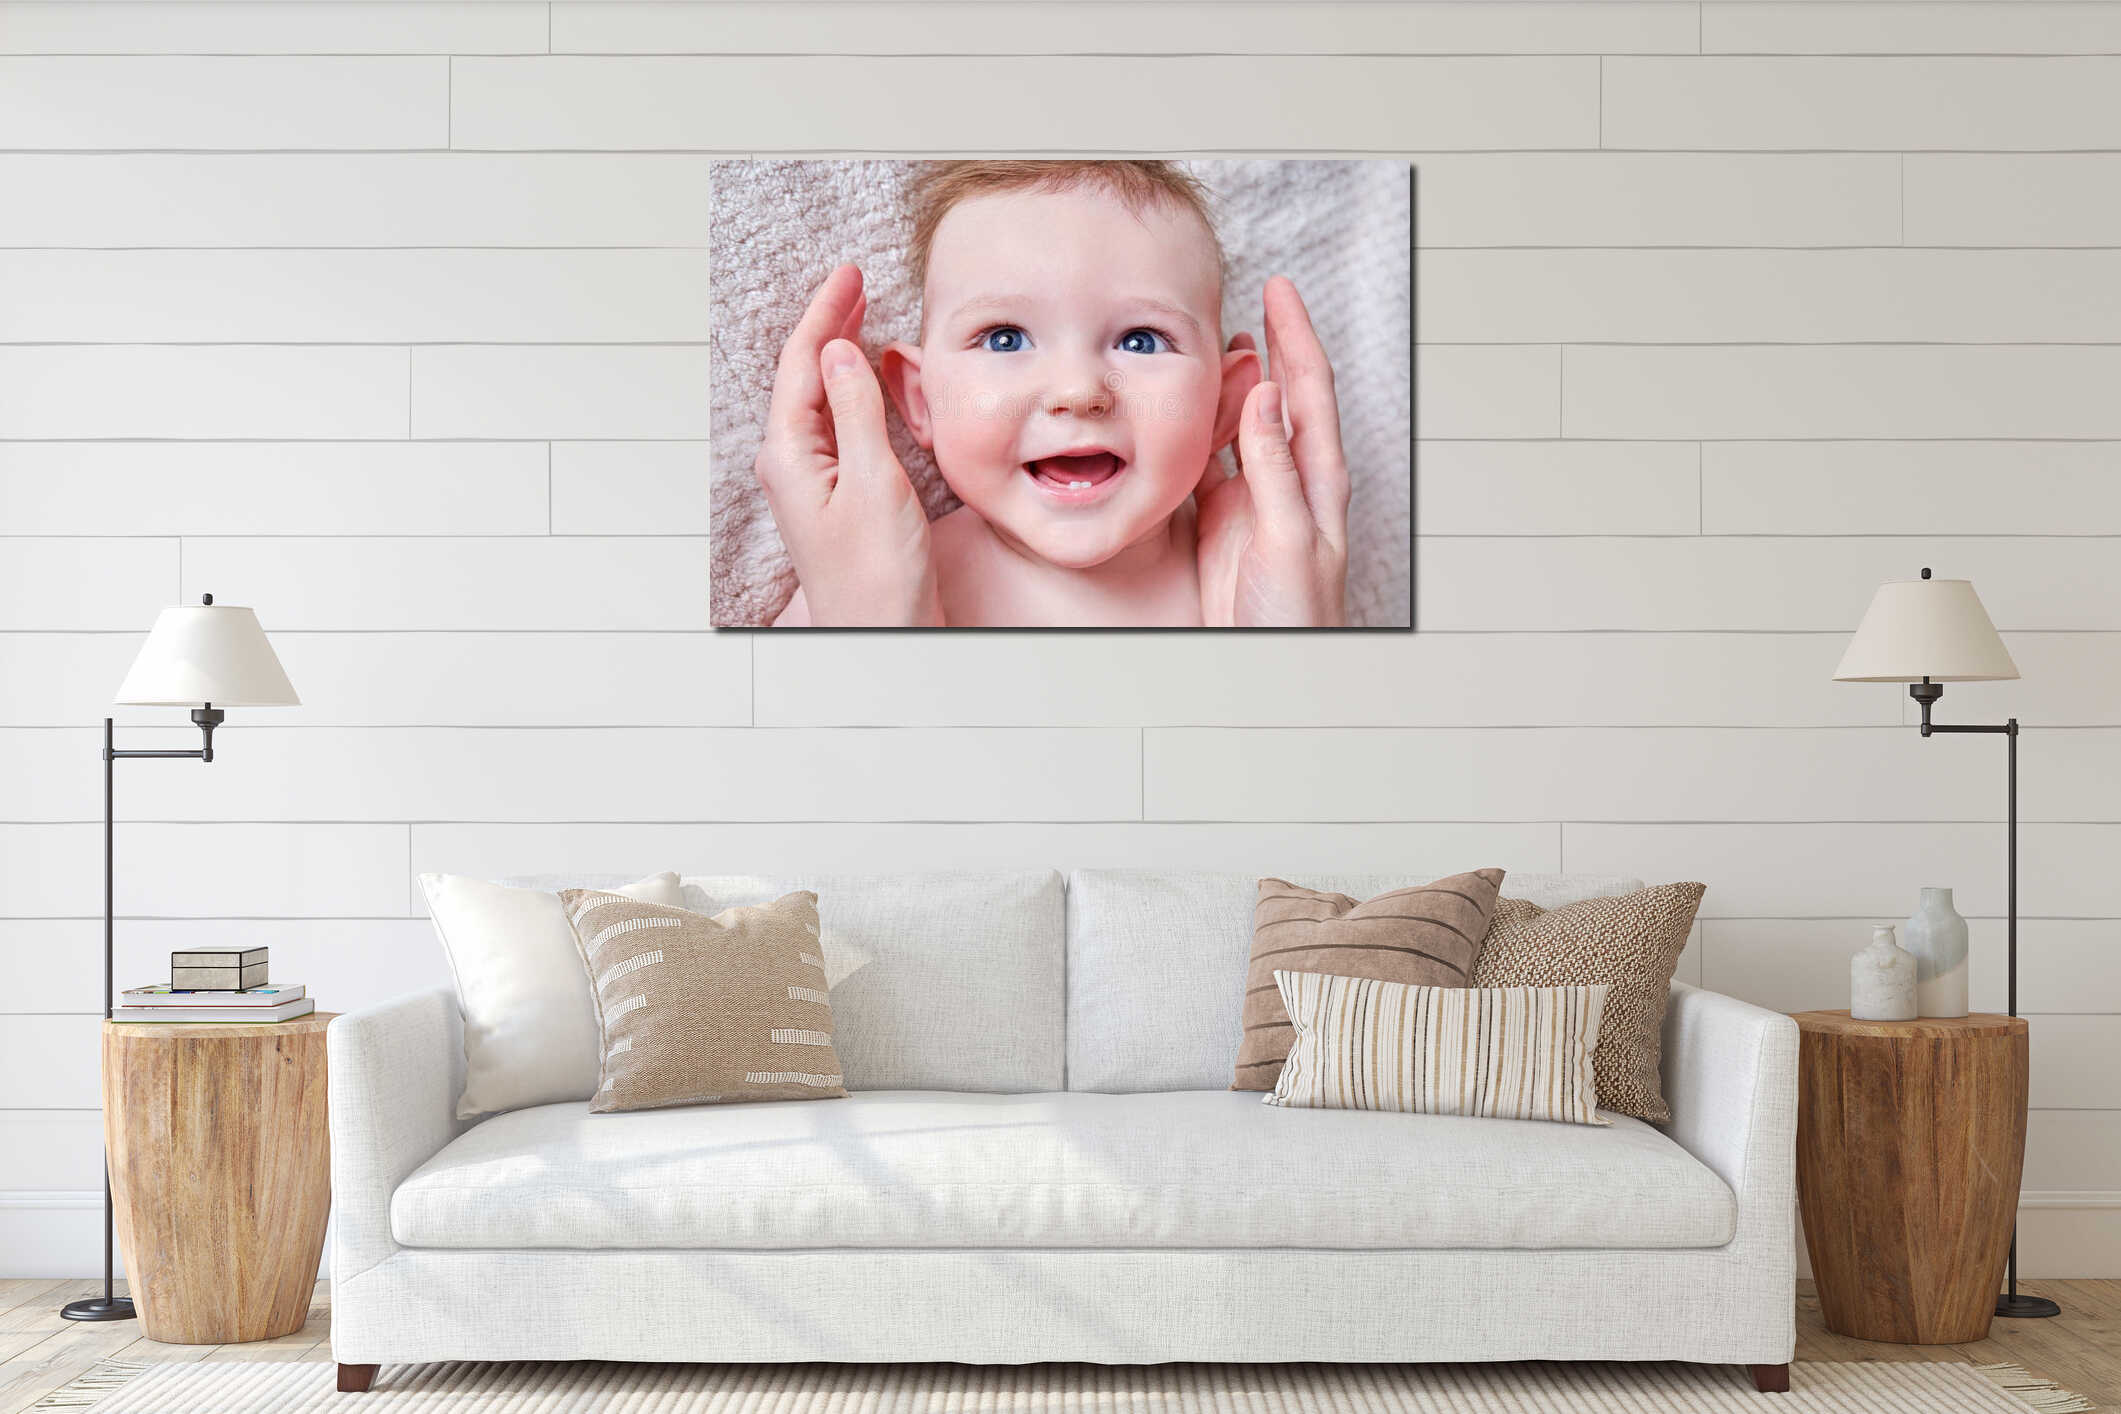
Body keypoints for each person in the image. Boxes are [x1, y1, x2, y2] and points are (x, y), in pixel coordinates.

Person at [757, 160, 1347, 628]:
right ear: (921, 400)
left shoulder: (1257, 578)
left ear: (1225, 407)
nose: (1077, 392)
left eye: (1141, 341)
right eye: (1006, 338)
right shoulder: (868, 580)